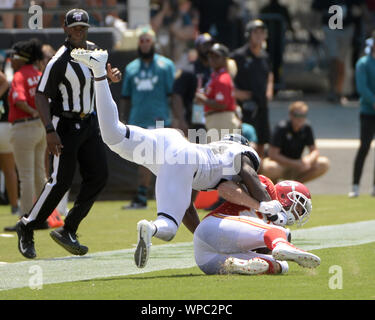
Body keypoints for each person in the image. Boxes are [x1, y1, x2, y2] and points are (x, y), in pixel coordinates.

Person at [70, 48, 284, 270]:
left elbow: (188, 207)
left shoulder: (216, 157)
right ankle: (151, 228)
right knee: (168, 227)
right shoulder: (240, 153)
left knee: (112, 135)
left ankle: (98, 71)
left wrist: (204, 238)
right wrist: (269, 207)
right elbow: (249, 175)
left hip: (172, 142)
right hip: (182, 158)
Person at [15, 9, 122, 259]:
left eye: (83, 27)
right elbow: (40, 95)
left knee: (99, 175)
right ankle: (27, 225)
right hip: (64, 124)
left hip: (88, 122)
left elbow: (103, 72)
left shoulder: (95, 50)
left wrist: (110, 76)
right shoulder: (59, 60)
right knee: (60, 182)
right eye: (75, 28)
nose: (79, 32)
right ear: (65, 28)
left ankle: (69, 229)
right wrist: (50, 131)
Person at [194, 176, 320, 275]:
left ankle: (240, 265)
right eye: (299, 205)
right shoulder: (266, 188)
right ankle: (281, 245)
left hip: (206, 260)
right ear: (285, 197)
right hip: (214, 226)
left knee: (282, 265)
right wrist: (261, 206)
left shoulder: (277, 226)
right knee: (278, 232)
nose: (299, 212)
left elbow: (261, 250)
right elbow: (228, 187)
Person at [119, 27, 177, 210]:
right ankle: (144, 195)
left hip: (160, 119)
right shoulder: (131, 68)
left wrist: (177, 118)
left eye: (147, 40)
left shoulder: (166, 66)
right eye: (141, 41)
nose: (144, 44)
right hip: (138, 119)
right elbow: (125, 97)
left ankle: (153, 196)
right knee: (143, 159)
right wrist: (121, 119)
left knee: (162, 159)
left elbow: (173, 94)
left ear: (153, 42)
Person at [7, 39, 46, 224]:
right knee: (40, 174)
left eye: (13, 57)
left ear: (21, 58)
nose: (11, 60)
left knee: (27, 175)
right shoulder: (39, 74)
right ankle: (44, 216)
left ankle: (26, 217)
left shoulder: (19, 76)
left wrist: (32, 111)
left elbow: (19, 99)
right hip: (41, 128)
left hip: (24, 127)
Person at [230, 19, 274, 158]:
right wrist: (235, 93)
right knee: (247, 141)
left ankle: (258, 173)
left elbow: (270, 74)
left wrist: (269, 90)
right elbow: (227, 74)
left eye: (262, 33)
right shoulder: (239, 55)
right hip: (246, 104)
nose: (259, 36)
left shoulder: (265, 56)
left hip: (261, 103)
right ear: (248, 34)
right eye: (256, 32)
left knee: (262, 140)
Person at [260, 101, 330, 184]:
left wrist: (307, 160)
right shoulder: (282, 127)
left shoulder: (306, 128)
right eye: (297, 115)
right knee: (269, 167)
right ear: (291, 115)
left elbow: (314, 150)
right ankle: (275, 189)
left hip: (298, 165)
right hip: (280, 164)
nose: (300, 118)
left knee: (323, 163)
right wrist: (295, 163)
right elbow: (273, 154)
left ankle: (295, 187)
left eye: (303, 115)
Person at [311, 0, 363, 105]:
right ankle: (333, 90)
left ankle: (339, 91)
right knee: (333, 59)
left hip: (347, 28)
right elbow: (315, 7)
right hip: (330, 28)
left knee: (341, 61)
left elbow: (359, 9)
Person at [172, 33, 214, 138]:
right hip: (195, 119)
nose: (208, 48)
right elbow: (177, 95)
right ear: (197, 47)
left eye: (210, 45)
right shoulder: (188, 70)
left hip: (215, 117)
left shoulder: (216, 70)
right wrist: (181, 120)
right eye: (205, 45)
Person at [349, 32, 375, 198]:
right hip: (368, 112)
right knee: (364, 147)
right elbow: (362, 88)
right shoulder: (363, 63)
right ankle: (356, 185)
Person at [195, 43, 240, 138]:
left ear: (224, 59)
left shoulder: (222, 79)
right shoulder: (216, 76)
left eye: (216, 56)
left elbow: (221, 104)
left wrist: (202, 99)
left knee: (219, 151)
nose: (212, 59)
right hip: (217, 119)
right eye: (210, 56)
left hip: (221, 119)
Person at [0, 68, 19, 216]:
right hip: (5, 127)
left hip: (3, 125)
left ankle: (14, 205)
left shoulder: (5, 81)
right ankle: (14, 206)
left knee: (9, 169)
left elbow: (4, 80)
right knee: (9, 169)